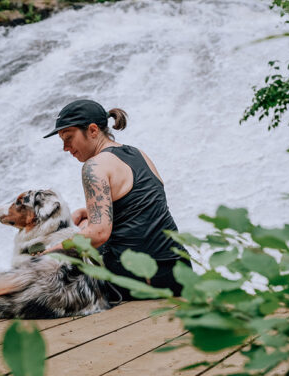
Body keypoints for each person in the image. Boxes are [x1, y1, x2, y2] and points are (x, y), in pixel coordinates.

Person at [41, 99, 190, 300]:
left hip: (140, 278)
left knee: (70, 255)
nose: (65, 147)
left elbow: (99, 233)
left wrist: (51, 252)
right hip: (177, 270)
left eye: (68, 138)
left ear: (93, 130)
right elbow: (138, 205)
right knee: (85, 222)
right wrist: (85, 212)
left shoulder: (94, 166)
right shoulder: (138, 153)